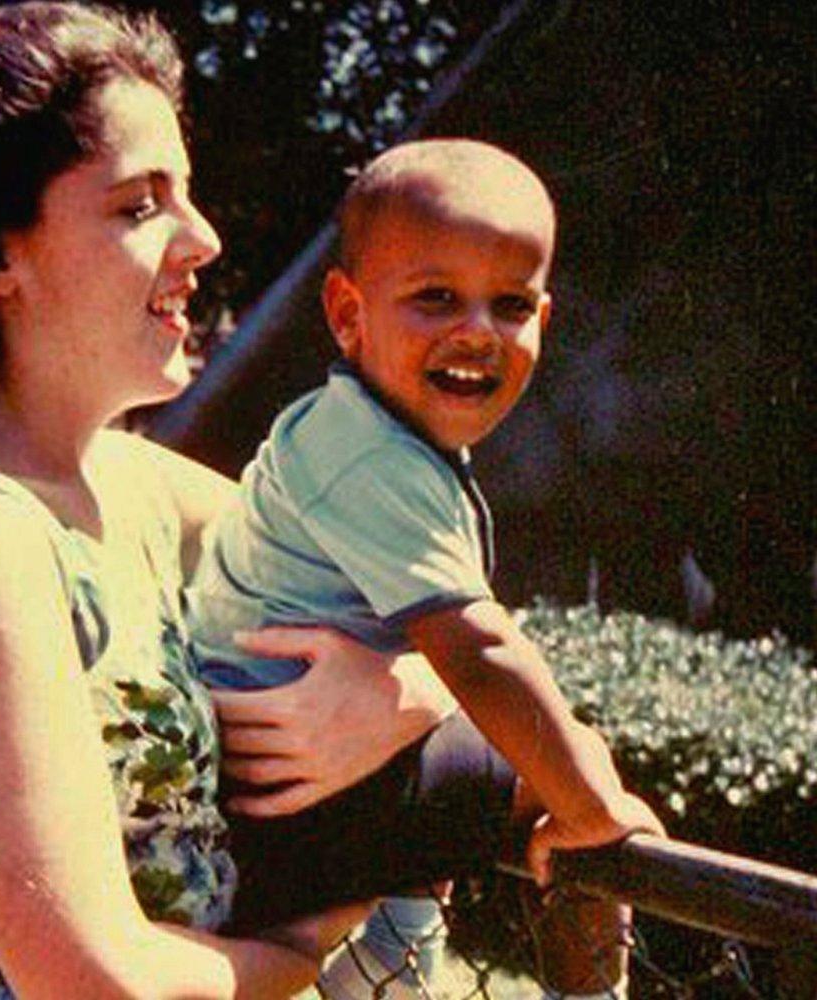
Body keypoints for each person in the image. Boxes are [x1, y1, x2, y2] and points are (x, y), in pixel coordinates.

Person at [0, 4, 401, 996]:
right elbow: (89, 976)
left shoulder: (129, 482)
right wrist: (303, 946)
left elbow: (410, 592)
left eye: (186, 194)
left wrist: (400, 691)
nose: (203, 237)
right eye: (141, 204)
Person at [185, 139, 665, 999]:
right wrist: (590, 806)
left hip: (269, 792)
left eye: (509, 304)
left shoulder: (354, 430)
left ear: (542, 323)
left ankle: (388, 971)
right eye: (436, 297)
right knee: (583, 776)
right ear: (346, 311)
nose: (476, 330)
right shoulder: (373, 458)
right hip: (296, 794)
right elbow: (477, 649)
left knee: (431, 808)